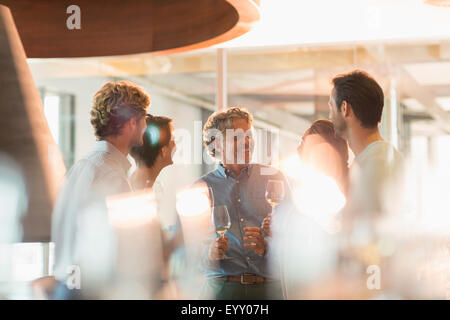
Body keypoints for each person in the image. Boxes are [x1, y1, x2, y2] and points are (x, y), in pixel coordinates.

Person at [51, 80, 150, 299]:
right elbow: (124, 255)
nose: (145, 126)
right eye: (144, 119)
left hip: (66, 289)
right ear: (131, 122)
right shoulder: (113, 178)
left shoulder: (78, 169)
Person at [197, 107, 292, 300]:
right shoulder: (201, 188)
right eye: (237, 137)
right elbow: (185, 254)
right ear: (218, 144)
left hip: (268, 291)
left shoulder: (274, 179)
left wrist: (268, 247)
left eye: (249, 135)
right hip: (222, 291)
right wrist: (208, 254)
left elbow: (299, 238)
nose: (247, 142)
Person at [328, 70, 404, 224]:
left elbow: (368, 239)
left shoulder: (375, 165)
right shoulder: (377, 158)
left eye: (331, 107)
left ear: (344, 108)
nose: (330, 116)